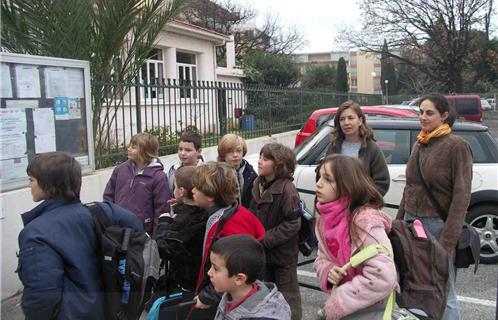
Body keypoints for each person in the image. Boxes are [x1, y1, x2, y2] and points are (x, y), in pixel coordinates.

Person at [17, 152, 143, 320]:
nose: (29, 185)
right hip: (110, 309)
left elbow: (42, 297)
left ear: (48, 185)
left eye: (32, 180)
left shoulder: (36, 233)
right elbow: (136, 226)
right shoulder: (101, 212)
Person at [396, 94, 472, 320]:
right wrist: (397, 223)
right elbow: (410, 187)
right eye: (421, 112)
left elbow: (461, 197)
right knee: (414, 286)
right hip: (411, 224)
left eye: (429, 113)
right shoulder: (421, 142)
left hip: (437, 226)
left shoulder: (457, 147)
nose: (423, 117)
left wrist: (447, 242)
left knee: (443, 291)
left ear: (445, 116)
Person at [314, 154, 398, 319]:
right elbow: (320, 259)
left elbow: (383, 276)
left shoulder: (365, 220)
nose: (318, 183)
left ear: (347, 185)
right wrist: (329, 272)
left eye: (327, 179)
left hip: (371, 308)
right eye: (319, 177)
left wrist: (340, 300)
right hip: (349, 308)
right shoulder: (324, 220)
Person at [191, 162, 265, 318]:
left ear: (210, 196)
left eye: (196, 188)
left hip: (226, 300)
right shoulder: (232, 211)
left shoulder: (230, 227)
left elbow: (234, 270)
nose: (192, 191)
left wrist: (207, 296)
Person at [249, 143, 302, 320]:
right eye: (260, 157)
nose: (260, 161)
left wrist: (264, 238)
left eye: (265, 159)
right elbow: (251, 213)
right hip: (262, 252)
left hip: (283, 256)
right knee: (265, 294)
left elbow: (293, 223)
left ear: (279, 164)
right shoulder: (258, 182)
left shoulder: (288, 190)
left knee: (288, 298)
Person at [209, 234, 291, 320]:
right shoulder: (230, 294)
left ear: (239, 279)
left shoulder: (265, 316)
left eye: (215, 268)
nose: (209, 272)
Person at [154, 166, 209, 293]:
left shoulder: (183, 220)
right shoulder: (206, 211)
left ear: (181, 191)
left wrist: (164, 222)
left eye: (175, 186)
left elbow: (164, 247)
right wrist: (181, 204)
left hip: (185, 281)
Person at [103, 132, 170, 235]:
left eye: (134, 147)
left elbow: (161, 210)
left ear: (145, 151)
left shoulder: (159, 177)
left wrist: (156, 238)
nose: (129, 149)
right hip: (119, 229)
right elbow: (108, 196)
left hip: (142, 232)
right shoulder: (120, 170)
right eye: (129, 146)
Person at [326, 100, 390, 195]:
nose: (346, 123)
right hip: (337, 206)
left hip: (362, 206)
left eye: (350, 118)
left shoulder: (372, 148)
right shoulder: (334, 147)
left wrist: (366, 202)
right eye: (342, 119)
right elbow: (324, 175)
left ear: (360, 121)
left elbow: (382, 183)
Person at [217, 133, 257, 208]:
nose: (235, 155)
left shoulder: (250, 172)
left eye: (238, 151)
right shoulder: (217, 174)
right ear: (223, 154)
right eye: (230, 152)